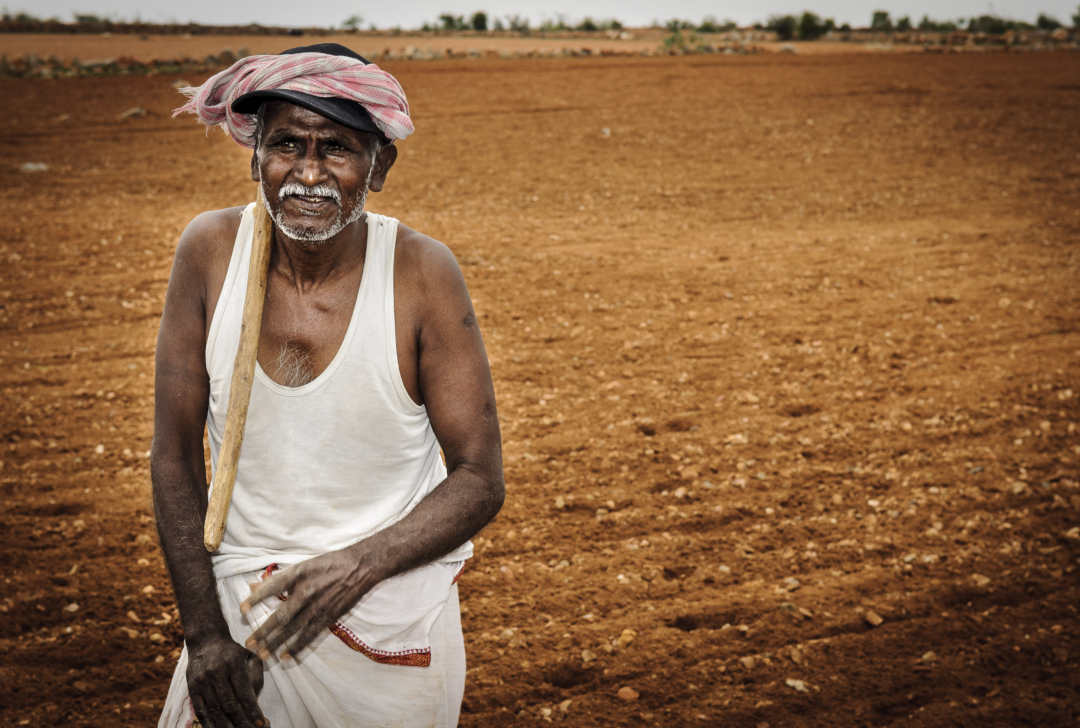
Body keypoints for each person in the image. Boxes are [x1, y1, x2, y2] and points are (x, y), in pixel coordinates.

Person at [152, 43, 504, 728]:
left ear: (379, 167)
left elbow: (478, 476)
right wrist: (204, 637)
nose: (306, 174)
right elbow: (173, 455)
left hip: (381, 628)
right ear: (255, 156)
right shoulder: (210, 251)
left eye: (336, 149)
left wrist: (357, 566)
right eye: (286, 144)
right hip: (235, 623)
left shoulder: (420, 275)